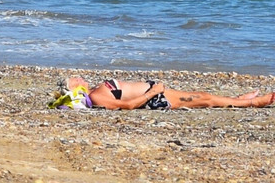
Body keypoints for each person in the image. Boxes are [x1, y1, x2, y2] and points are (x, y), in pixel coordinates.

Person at [55, 75, 275, 110]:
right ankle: (253, 103)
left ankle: (237, 100)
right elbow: (129, 106)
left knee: (201, 94)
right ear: (73, 87)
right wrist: (154, 92)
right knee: (204, 99)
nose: (79, 77)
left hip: (156, 93)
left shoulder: (94, 91)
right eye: (75, 78)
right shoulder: (95, 97)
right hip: (155, 99)